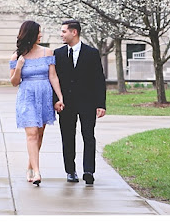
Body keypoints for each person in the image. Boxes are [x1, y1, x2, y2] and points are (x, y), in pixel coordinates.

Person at [10, 20, 64, 186]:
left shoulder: (48, 52)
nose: (41, 35)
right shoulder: (17, 56)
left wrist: (60, 97)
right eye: (38, 32)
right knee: (32, 133)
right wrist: (18, 67)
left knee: (39, 134)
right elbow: (13, 82)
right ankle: (38, 172)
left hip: (44, 96)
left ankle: (30, 166)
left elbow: (53, 76)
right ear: (30, 34)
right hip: (27, 96)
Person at [53, 20, 106, 185]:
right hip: (66, 104)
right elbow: (54, 79)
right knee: (67, 138)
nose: (61, 35)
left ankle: (89, 171)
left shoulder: (91, 53)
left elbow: (99, 79)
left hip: (87, 103)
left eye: (63, 32)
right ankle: (70, 171)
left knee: (88, 136)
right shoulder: (58, 53)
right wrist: (56, 100)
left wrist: (101, 104)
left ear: (73, 32)